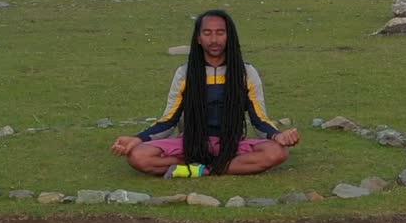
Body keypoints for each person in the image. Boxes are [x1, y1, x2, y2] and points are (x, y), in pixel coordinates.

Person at [110, 10, 300, 177]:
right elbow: (168, 120)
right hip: (191, 144)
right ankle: (215, 167)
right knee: (138, 156)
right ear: (199, 38)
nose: (214, 40)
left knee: (278, 152)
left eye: (220, 33)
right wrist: (138, 139)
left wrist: (277, 136)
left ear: (229, 37)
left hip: (231, 145)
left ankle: (201, 169)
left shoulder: (246, 73)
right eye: (207, 33)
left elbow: (259, 119)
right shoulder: (185, 73)